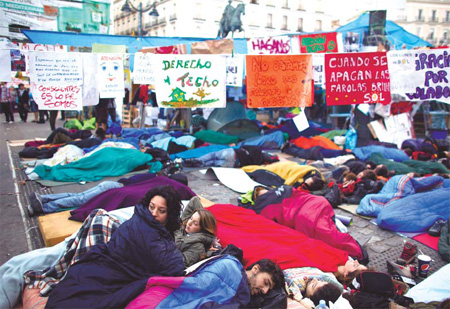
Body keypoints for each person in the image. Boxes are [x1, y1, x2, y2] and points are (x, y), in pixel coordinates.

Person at [45, 185, 185, 308]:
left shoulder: (157, 231)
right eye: (152, 207)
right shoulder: (141, 223)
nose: (153, 214)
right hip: (116, 267)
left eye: (161, 211)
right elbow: (174, 267)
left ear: (169, 214)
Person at [26, 180, 124, 216]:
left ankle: (43, 198)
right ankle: (45, 207)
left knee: (79, 196)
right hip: (114, 188)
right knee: (81, 200)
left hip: (111, 184)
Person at [175, 196, 217, 267]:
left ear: (202, 229)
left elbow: (180, 263)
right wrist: (201, 213)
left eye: (195, 223)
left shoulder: (198, 247)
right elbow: (195, 200)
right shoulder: (184, 224)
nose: (189, 223)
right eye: (191, 218)